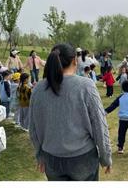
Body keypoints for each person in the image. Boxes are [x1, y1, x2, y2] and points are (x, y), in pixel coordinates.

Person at [29, 44, 111, 180]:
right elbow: (99, 126)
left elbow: (33, 128)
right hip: (83, 159)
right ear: (75, 61)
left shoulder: (38, 89)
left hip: (51, 159)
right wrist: (105, 157)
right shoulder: (86, 86)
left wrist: (40, 155)